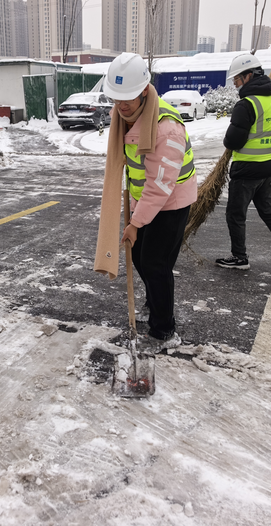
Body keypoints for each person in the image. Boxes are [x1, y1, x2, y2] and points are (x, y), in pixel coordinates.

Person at [94, 52, 198, 353]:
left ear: (143, 91)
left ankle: (164, 330)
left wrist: (135, 224)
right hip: (145, 199)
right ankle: (155, 304)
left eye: (127, 97)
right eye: (116, 98)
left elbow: (160, 185)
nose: (121, 105)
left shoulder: (166, 128)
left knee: (155, 264)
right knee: (140, 257)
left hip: (171, 202)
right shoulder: (124, 117)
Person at [216, 54, 271, 273]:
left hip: (247, 170)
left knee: (236, 215)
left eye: (237, 79)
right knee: (269, 212)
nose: (235, 84)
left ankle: (240, 257)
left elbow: (233, 141)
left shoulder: (246, 105)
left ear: (249, 76)